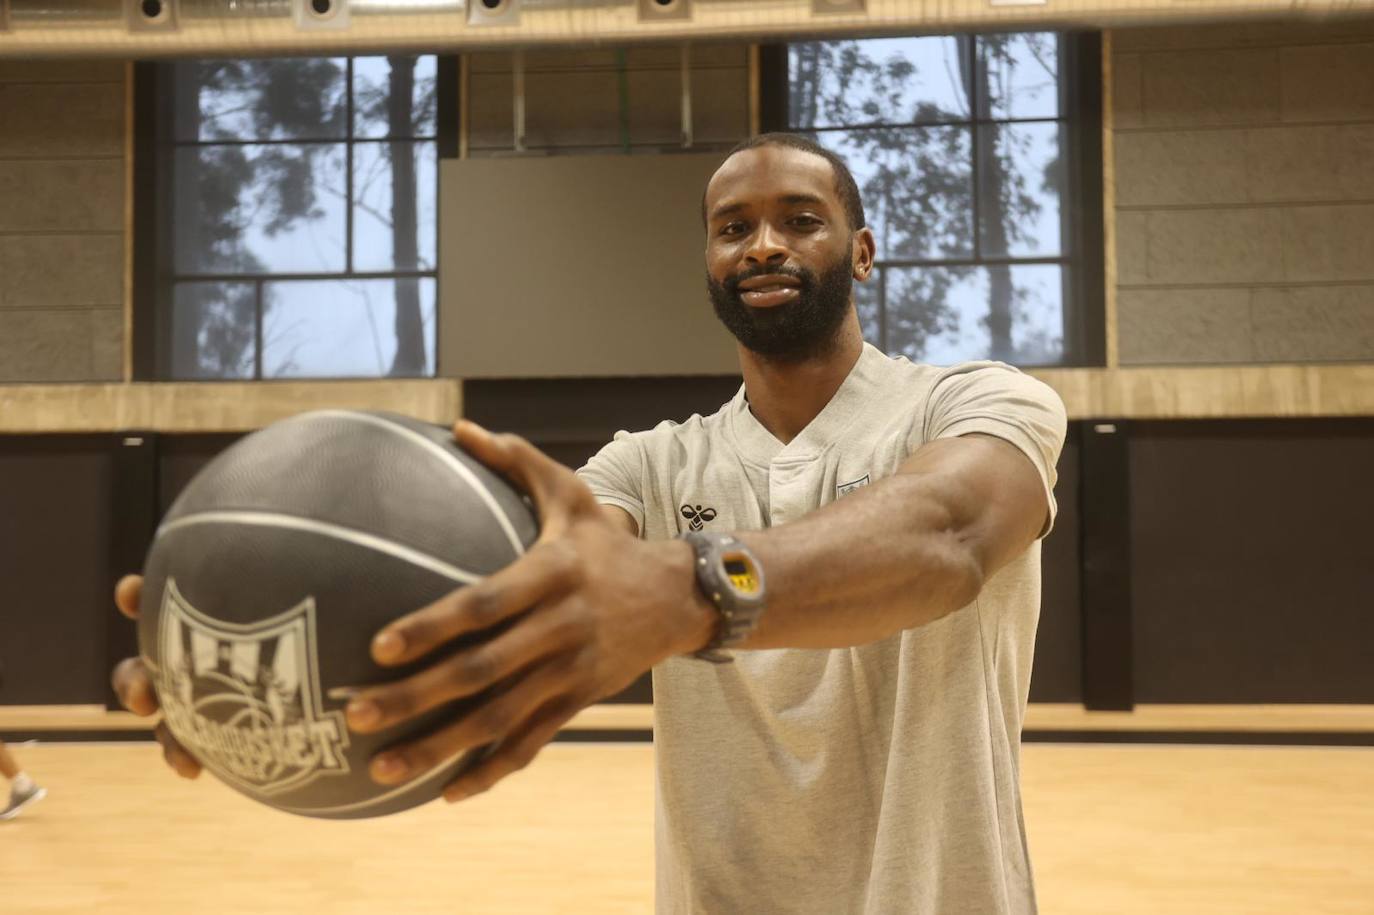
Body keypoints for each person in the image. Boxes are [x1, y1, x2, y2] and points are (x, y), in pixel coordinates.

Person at [113, 132, 1066, 914]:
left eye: (800, 220)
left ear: (861, 251)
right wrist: (251, 666)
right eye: (733, 228)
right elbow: (505, 584)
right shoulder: (648, 465)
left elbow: (948, 533)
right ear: (709, 264)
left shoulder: (978, 403)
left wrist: (690, 589)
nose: (763, 246)